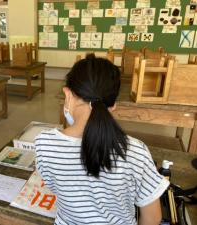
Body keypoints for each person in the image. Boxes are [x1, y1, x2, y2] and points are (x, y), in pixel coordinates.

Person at [35, 54, 170, 225]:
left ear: (68, 94)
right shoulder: (137, 152)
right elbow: (153, 218)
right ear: (113, 105)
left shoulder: (44, 144)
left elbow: (57, 188)